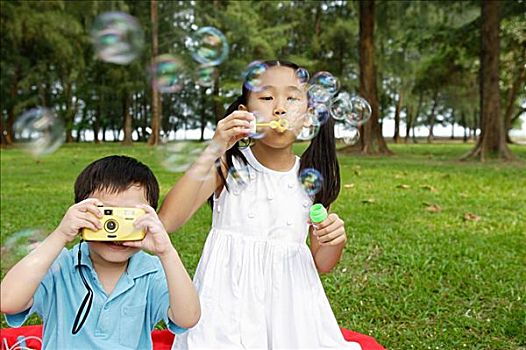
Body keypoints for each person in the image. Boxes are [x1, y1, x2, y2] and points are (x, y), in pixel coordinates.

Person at [160, 60, 361, 349]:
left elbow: (322, 263)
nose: (279, 108)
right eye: (266, 98)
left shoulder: (310, 176)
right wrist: (216, 147)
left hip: (290, 312)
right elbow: (168, 220)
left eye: (292, 98)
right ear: (244, 114)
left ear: (308, 116)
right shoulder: (228, 164)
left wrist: (334, 240)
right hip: (228, 306)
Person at [0, 155, 201, 349]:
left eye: (129, 217)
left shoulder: (152, 271)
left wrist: (166, 252)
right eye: (106, 215)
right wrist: (60, 235)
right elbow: (7, 301)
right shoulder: (59, 264)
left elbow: (188, 317)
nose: (114, 229)